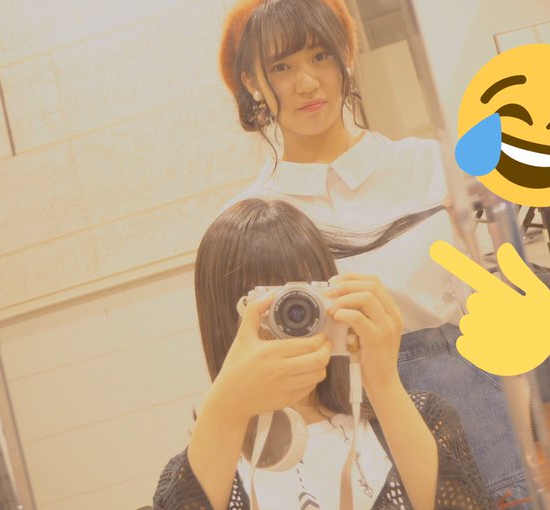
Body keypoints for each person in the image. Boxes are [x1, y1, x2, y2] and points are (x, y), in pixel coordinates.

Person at [217, 0, 531, 507]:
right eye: (281, 67)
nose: (308, 83)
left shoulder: (431, 167)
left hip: (465, 398)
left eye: (320, 56)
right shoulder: (251, 220)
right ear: (251, 81)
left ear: (346, 54)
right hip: (336, 425)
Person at [153, 199, 493, 509]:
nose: (290, 320)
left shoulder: (422, 417)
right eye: (267, 302)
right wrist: (224, 407)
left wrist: (384, 383)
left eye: (302, 298)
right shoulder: (204, 469)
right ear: (225, 317)